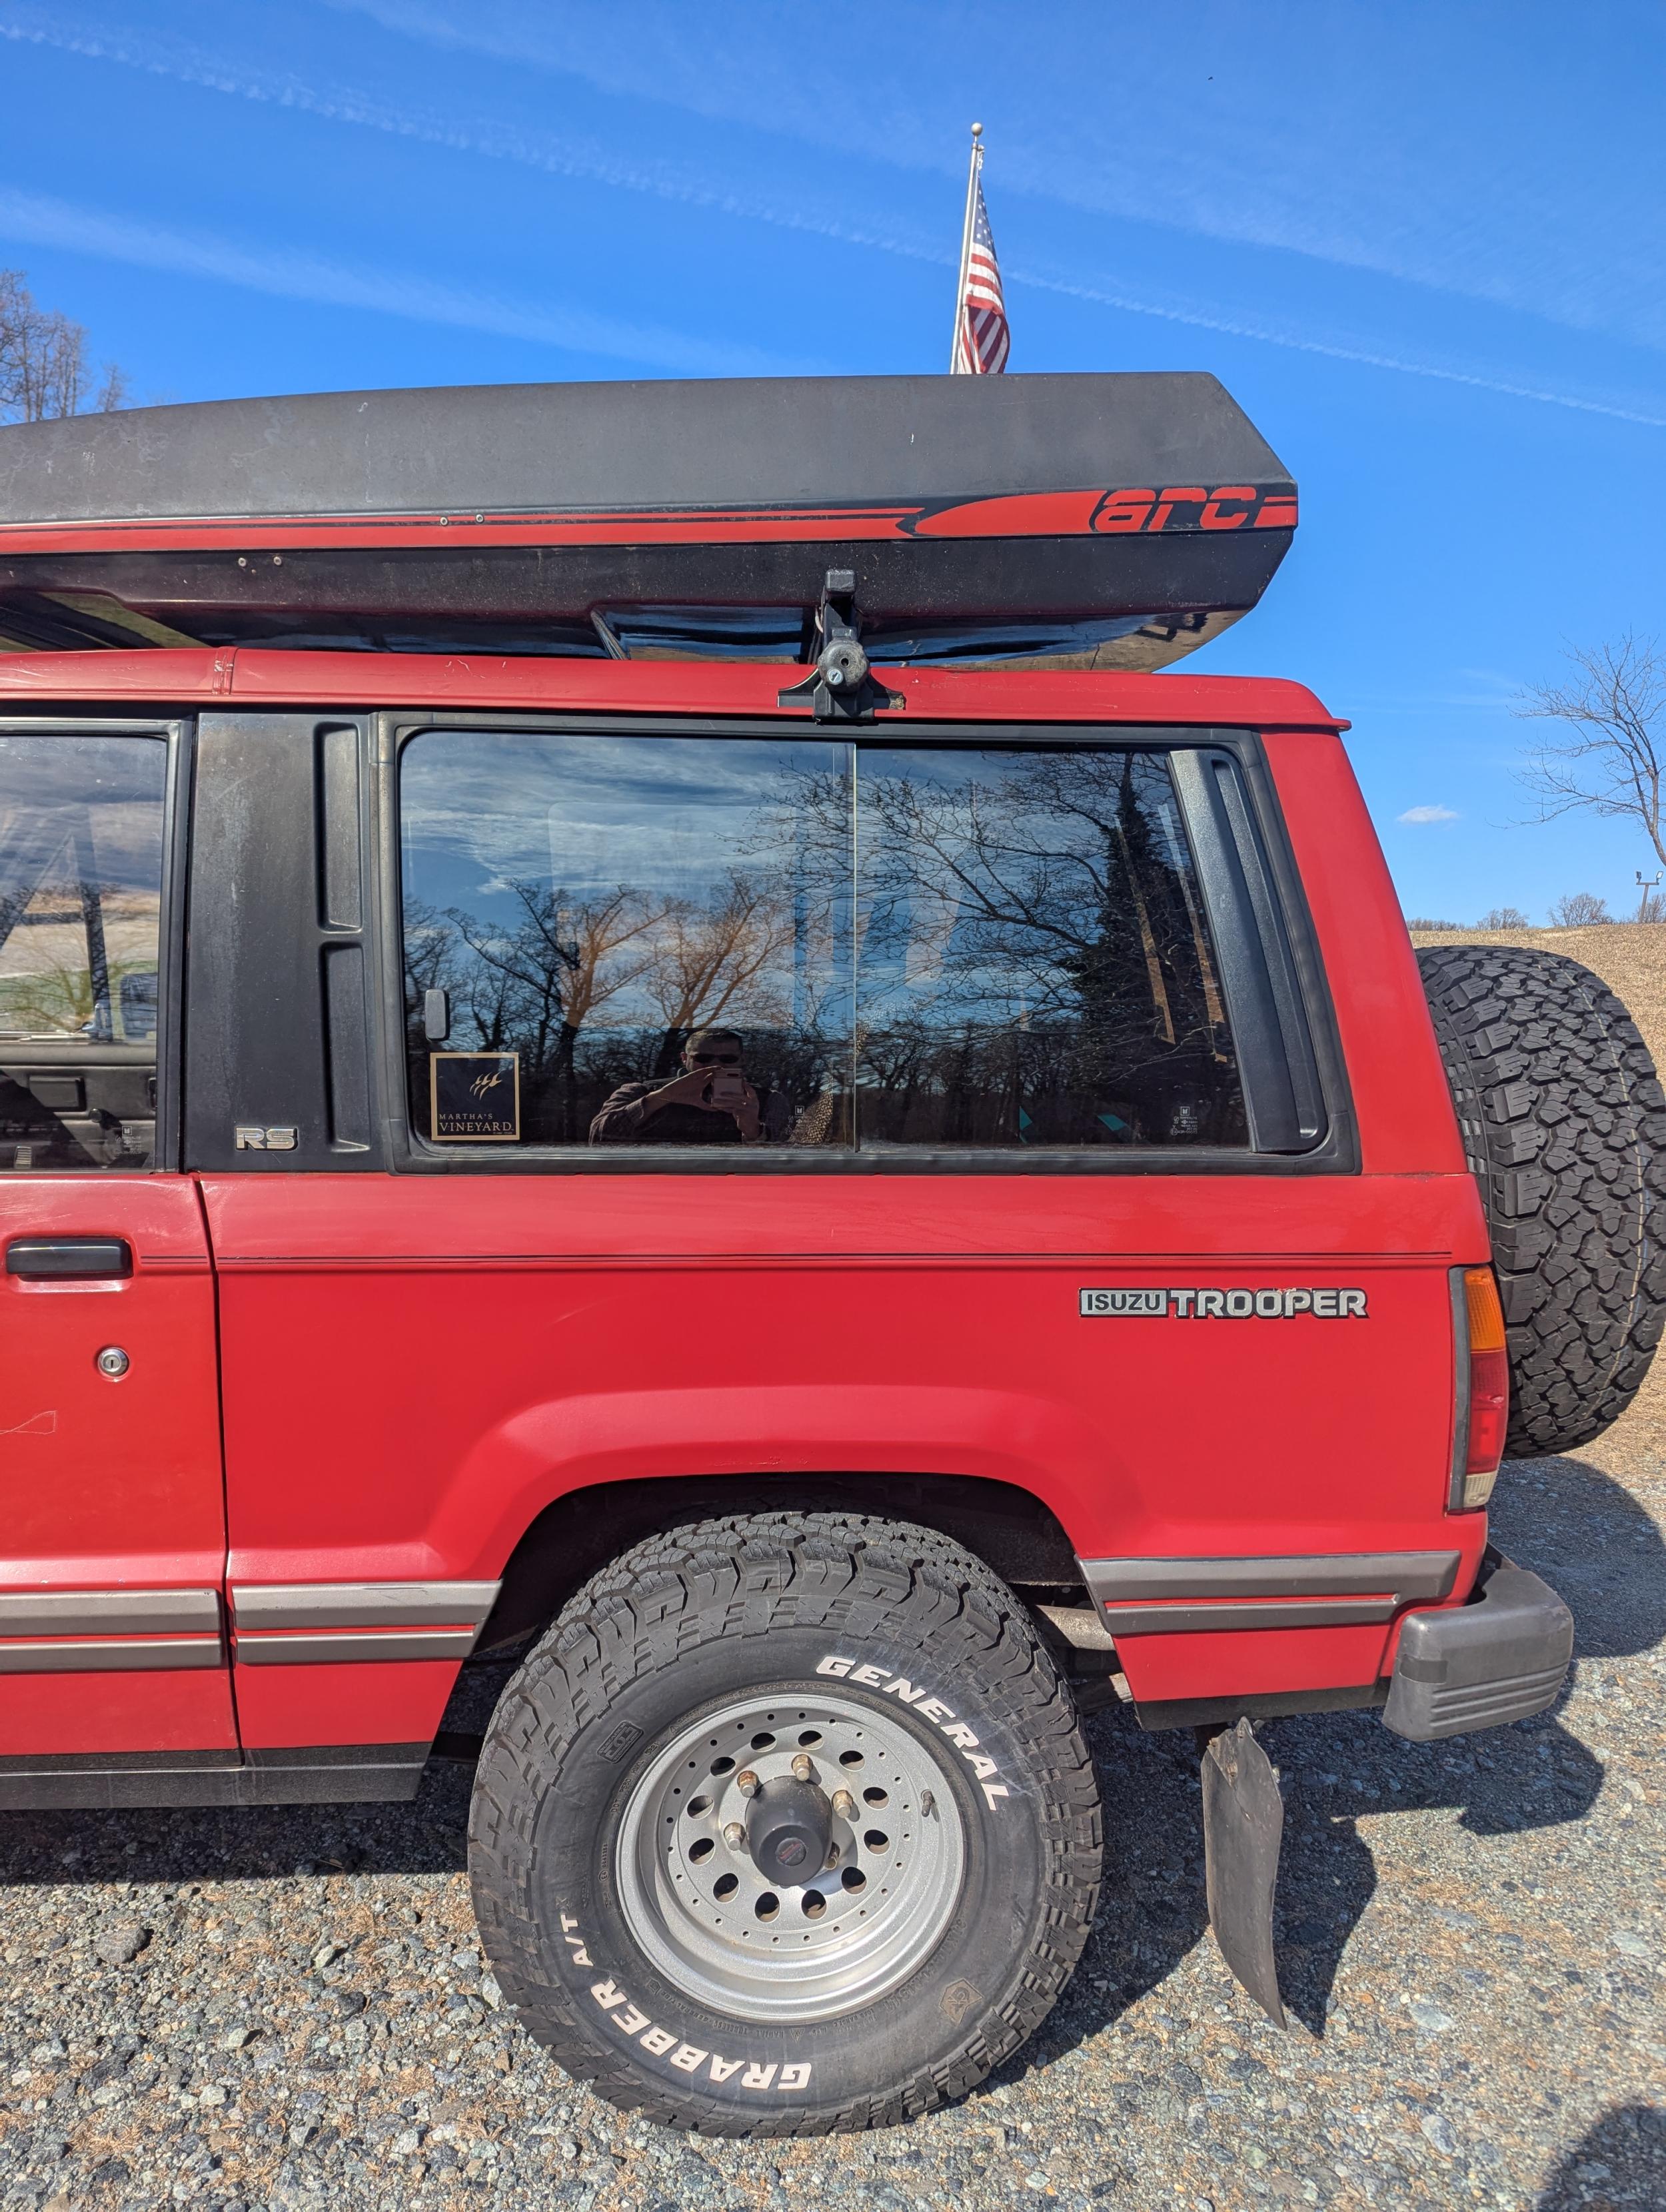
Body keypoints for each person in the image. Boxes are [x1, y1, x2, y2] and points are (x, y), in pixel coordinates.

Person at [588, 1028, 791, 1145]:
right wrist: (660, 1098)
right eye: (703, 1058)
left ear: (741, 1060)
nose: (715, 1065)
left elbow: (790, 1159)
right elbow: (597, 1138)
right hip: (654, 1185)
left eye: (728, 1059)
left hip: (738, 1188)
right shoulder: (639, 1092)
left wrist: (753, 1130)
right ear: (685, 1059)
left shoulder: (767, 1100)